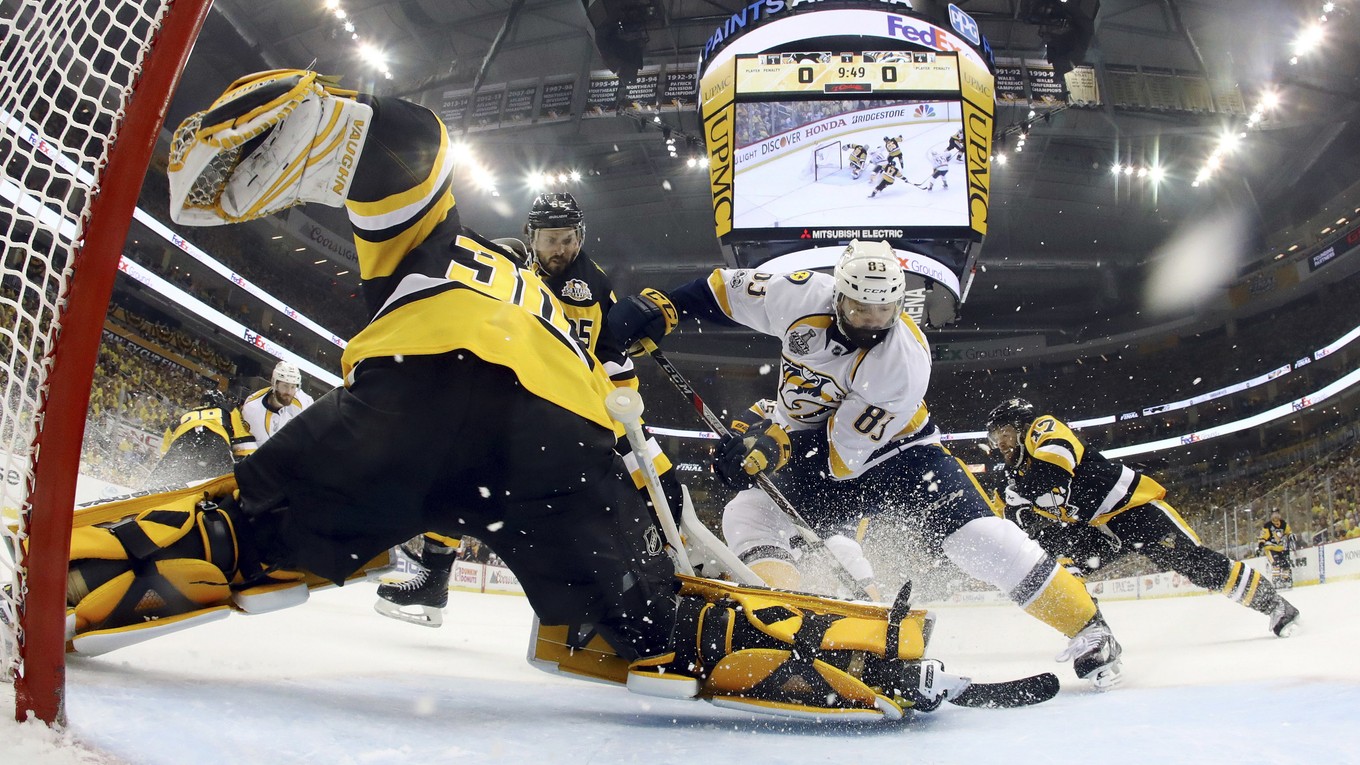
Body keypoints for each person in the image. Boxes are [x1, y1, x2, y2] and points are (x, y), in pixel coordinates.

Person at [63, 70, 957, 720]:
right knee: (646, 617)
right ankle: (880, 658)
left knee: (251, 530)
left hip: (414, 398)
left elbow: (410, 150)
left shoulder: (447, 248)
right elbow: (621, 393)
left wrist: (335, 113)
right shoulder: (567, 301)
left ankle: (56, 579)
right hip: (554, 438)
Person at [608, 241, 1127, 688]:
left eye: (883, 312)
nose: (871, 322)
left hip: (901, 455)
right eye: (858, 308)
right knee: (748, 513)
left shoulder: (902, 365)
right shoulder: (798, 293)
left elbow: (838, 459)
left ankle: (1089, 627)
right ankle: (783, 627)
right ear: (837, 295)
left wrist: (767, 446)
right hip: (813, 442)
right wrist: (663, 306)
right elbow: (721, 290)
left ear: (899, 304)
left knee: (978, 540)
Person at [374, 191, 683, 627]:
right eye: (553, 239)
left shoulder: (584, 286)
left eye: (570, 238)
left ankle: (668, 581)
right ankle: (436, 578)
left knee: (655, 481)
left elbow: (611, 358)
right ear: (532, 237)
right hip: (533, 405)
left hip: (583, 408)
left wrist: (625, 422)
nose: (564, 249)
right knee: (461, 471)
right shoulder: (521, 270)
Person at [986, 398, 1300, 637]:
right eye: (994, 437)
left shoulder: (1042, 429)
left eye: (1005, 434)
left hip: (1131, 510)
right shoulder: (1013, 474)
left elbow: (1055, 472)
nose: (1000, 444)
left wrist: (1021, 497)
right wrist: (1014, 516)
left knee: (1194, 563)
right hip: (1095, 531)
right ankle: (1094, 636)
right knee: (1055, 574)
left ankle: (1273, 603)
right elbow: (995, 522)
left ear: (1023, 427)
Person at [144, 388, 255, 487]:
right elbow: (244, 442)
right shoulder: (228, 411)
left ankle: (143, 494)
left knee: (160, 480)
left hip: (182, 441)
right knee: (223, 484)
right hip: (214, 442)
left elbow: (165, 450)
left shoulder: (181, 417)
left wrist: (166, 463)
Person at [239, 361, 315, 445]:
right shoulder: (253, 409)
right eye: (285, 386)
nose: (289, 392)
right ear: (274, 384)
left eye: (293, 387)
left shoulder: (303, 401)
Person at [1258, 509, 1294, 591]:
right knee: (1276, 563)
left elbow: (1289, 532)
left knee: (1286, 564)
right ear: (1271, 516)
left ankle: (1285, 580)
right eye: (1273, 514)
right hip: (1270, 548)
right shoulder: (1268, 525)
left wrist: (1291, 535)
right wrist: (1261, 543)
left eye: (1277, 514)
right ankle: (1276, 581)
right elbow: (1263, 536)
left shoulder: (1283, 524)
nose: (1275, 516)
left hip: (1280, 548)